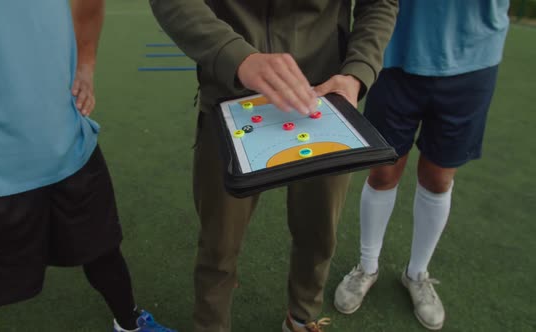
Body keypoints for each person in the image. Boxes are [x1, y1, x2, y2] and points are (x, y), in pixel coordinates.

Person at [149, 1, 398, 331]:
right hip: (228, 94)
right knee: (218, 243)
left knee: (318, 233)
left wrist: (356, 72)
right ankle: (210, 325)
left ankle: (302, 318)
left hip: (322, 97)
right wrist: (236, 55)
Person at [0, 1, 176, 331]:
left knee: (103, 249)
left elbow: (89, 4)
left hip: (63, 141)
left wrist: (86, 61)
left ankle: (130, 323)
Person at [333, 1, 510, 330]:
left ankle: (417, 273)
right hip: (396, 48)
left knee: (439, 177)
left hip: (474, 55)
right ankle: (367, 267)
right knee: (383, 169)